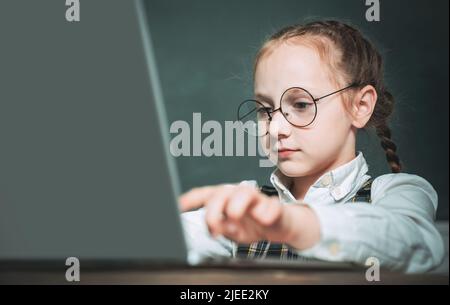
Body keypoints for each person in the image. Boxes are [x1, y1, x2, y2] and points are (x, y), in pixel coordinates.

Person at [178, 20, 444, 273]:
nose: (275, 129)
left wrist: (292, 223)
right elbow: (171, 240)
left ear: (360, 106)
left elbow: (412, 242)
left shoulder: (398, 191)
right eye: (265, 109)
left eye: (302, 105)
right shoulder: (246, 201)